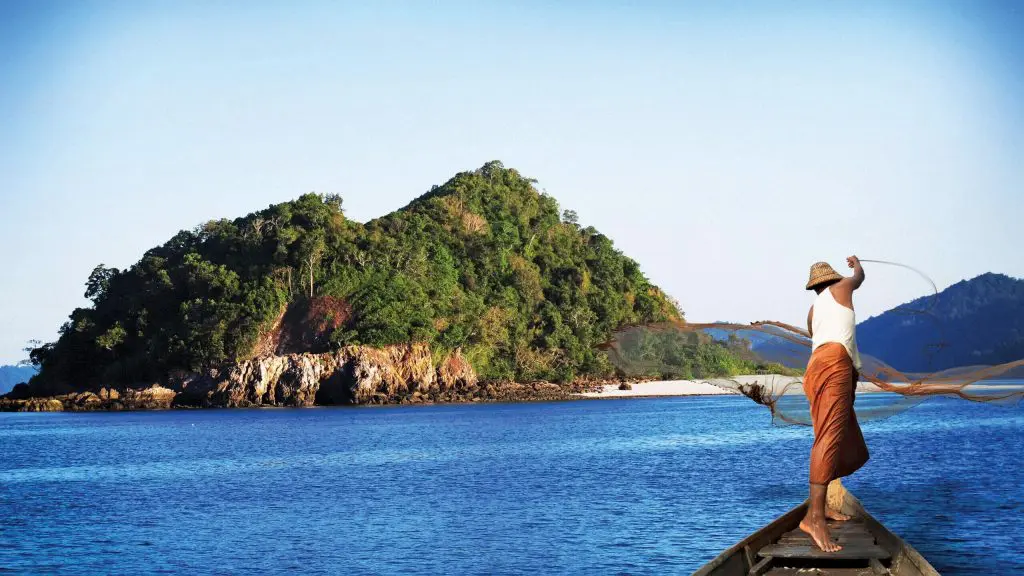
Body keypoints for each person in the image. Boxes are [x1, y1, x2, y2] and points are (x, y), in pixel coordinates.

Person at [798, 256, 870, 552]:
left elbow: (818, 339)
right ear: (832, 279)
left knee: (836, 437)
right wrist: (856, 264)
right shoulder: (842, 287)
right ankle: (814, 520)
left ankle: (822, 508)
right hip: (834, 366)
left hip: (817, 369)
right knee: (828, 440)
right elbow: (860, 277)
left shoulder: (814, 310)